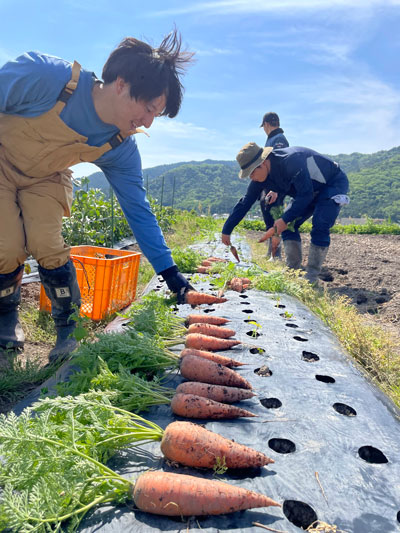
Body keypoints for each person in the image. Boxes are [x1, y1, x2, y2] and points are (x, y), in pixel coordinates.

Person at [0, 30, 194, 365]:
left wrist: (173, 277)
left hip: (46, 177)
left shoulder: (120, 146)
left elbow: (138, 210)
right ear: (121, 83)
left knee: (47, 244)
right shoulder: (47, 78)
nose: (148, 122)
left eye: (155, 116)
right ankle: (6, 317)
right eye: (148, 108)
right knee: (6, 247)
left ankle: (67, 330)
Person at [222, 142, 349, 283]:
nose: (251, 177)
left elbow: (305, 194)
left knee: (320, 223)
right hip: (306, 191)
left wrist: (284, 219)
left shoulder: (291, 161)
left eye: (251, 172)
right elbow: (246, 202)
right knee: (288, 225)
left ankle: (312, 276)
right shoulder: (260, 178)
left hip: (331, 183)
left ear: (263, 163)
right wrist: (227, 229)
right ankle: (293, 270)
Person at [259, 112, 289, 259]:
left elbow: (279, 165)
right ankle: (271, 252)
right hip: (271, 187)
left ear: (266, 124)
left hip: (275, 188)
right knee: (269, 217)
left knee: (274, 217)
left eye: (263, 126)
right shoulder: (273, 139)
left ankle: (275, 254)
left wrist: (274, 189)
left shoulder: (278, 140)